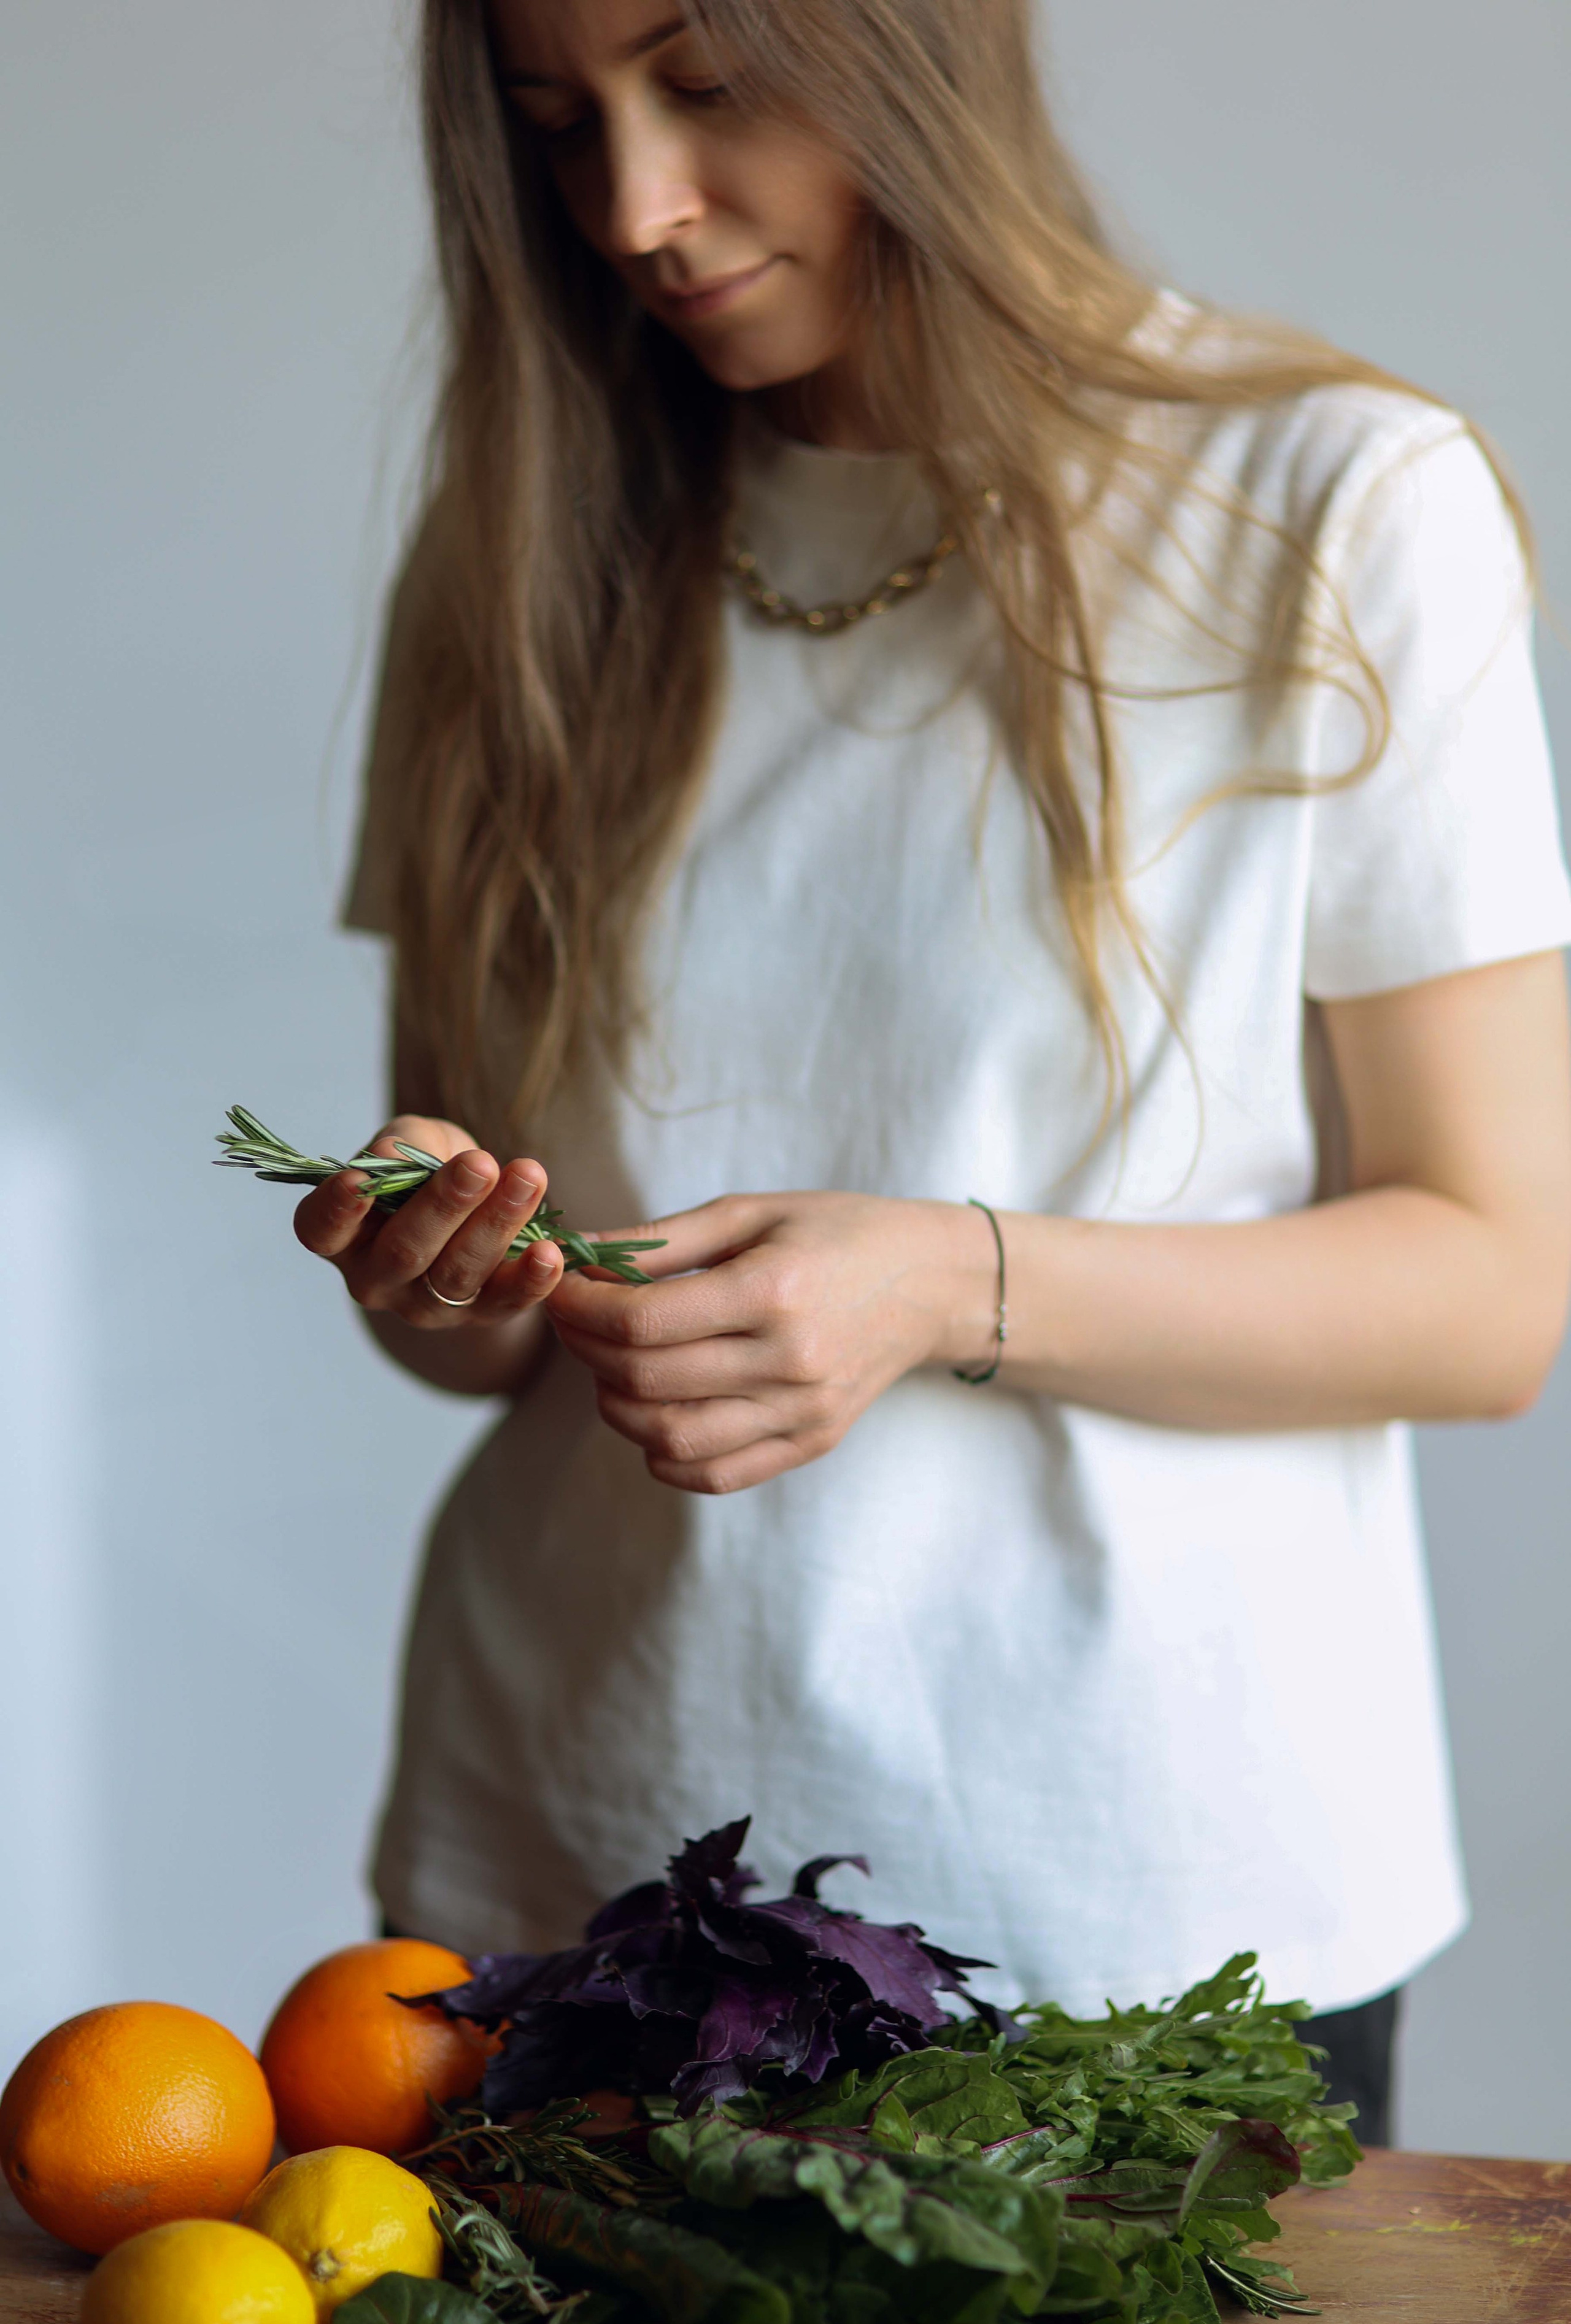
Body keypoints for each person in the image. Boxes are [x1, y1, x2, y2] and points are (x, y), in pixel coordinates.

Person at [296, 0, 1571, 2149]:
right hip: (570, 1867)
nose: (633, 206)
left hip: (1152, 1915)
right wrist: (435, 1265)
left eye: (704, 85)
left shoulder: (1331, 501)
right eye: (553, 121)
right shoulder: (520, 559)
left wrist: (953, 1281)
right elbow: (487, 1349)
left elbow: (1491, 1290)